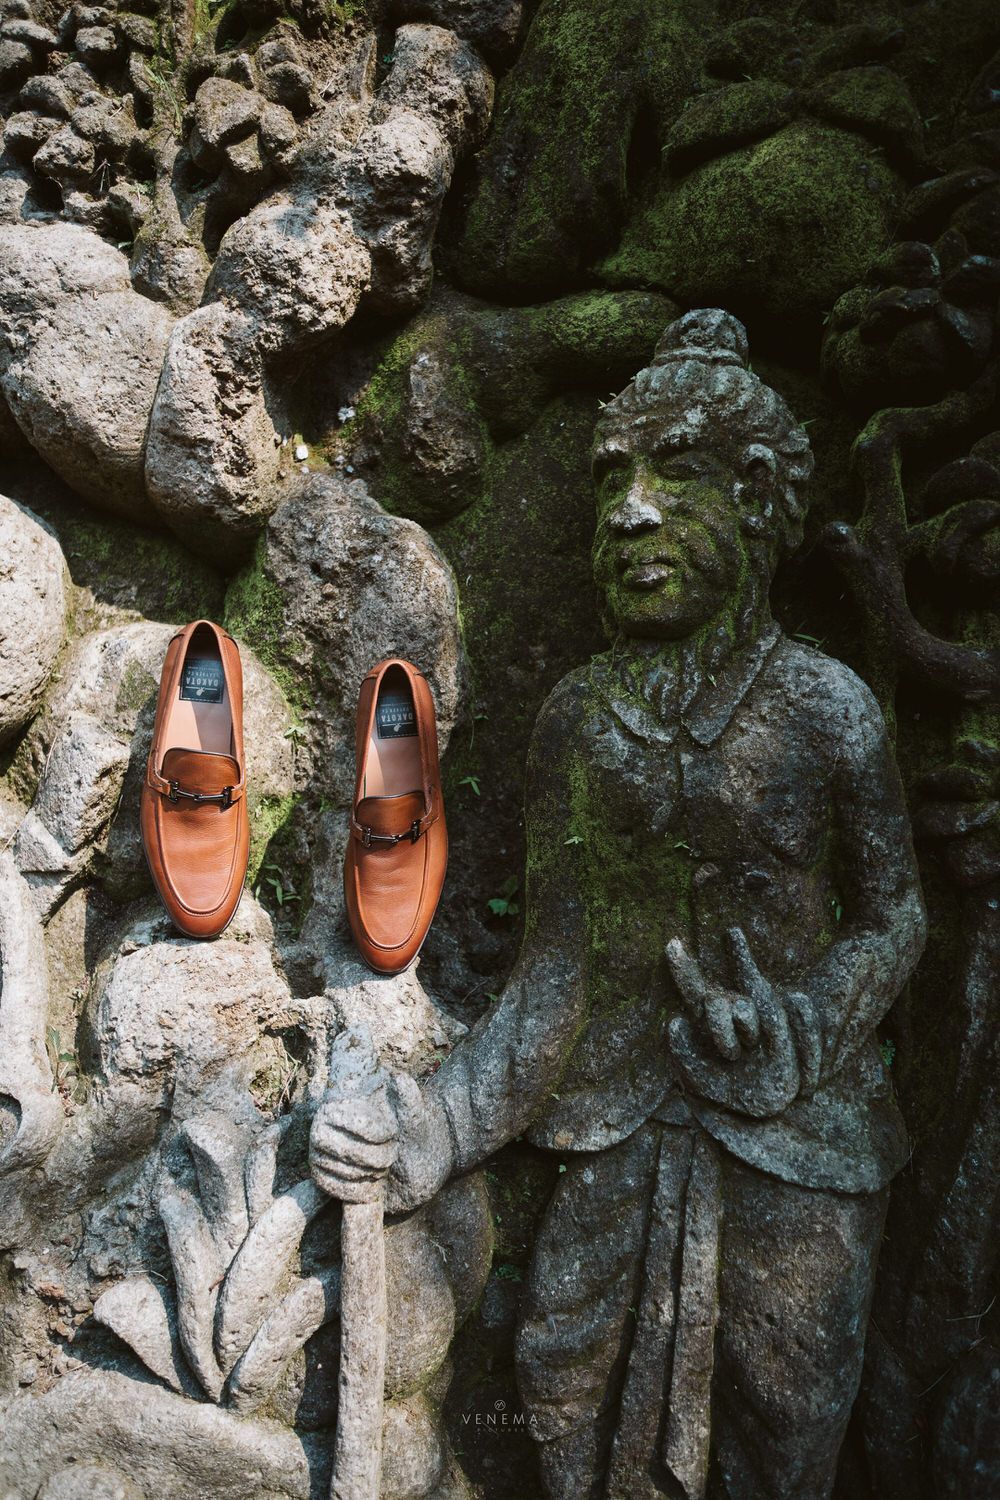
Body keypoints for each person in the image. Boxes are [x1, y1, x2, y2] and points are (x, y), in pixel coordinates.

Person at [310, 309, 927, 1499]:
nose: (630, 514)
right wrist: (432, 1130)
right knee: (560, 1384)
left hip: (796, 1142)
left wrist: (806, 1022)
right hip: (613, 1127)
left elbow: (893, 915)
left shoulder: (827, 708)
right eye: (610, 482)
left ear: (757, 496)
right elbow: (554, 972)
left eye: (674, 473)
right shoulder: (579, 723)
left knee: (784, 1406)